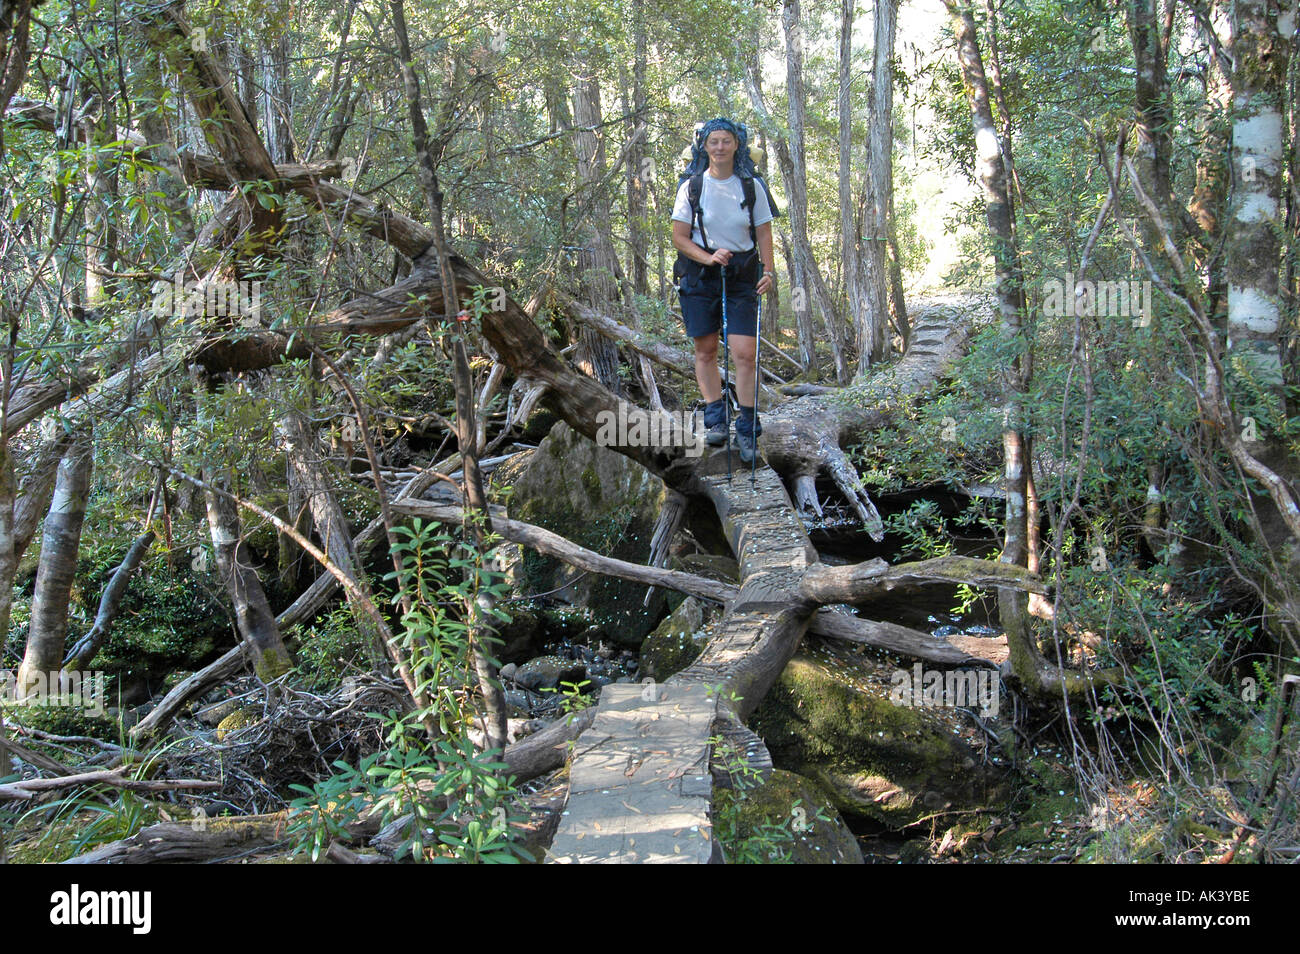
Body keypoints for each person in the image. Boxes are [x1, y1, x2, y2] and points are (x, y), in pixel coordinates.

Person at [670, 118, 775, 464]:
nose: (719, 147)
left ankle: (747, 424)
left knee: (745, 352)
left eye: (725, 141)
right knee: (706, 349)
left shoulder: (751, 185)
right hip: (701, 275)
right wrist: (709, 257)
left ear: (736, 145)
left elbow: (763, 232)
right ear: (704, 146)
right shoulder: (692, 187)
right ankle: (716, 418)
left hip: (743, 274)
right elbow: (679, 237)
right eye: (713, 141)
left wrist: (769, 271)